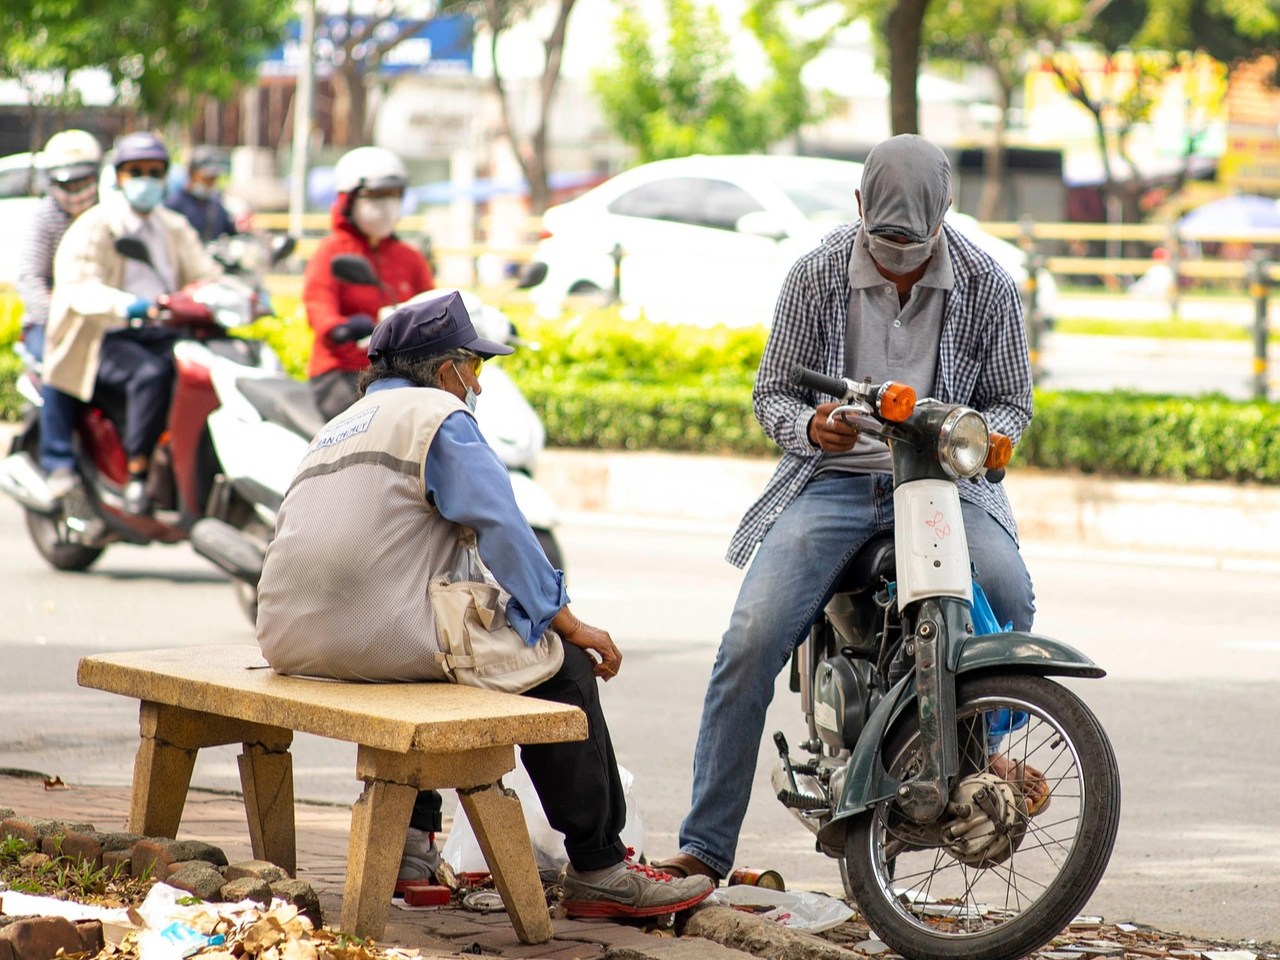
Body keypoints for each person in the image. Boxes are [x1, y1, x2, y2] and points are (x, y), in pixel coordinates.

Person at [255, 291, 715, 919]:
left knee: (424, 660)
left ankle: (414, 847)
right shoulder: (440, 418)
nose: (477, 384)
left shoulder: (338, 424)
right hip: (379, 638)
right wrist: (570, 624)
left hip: (292, 640)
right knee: (564, 669)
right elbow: (504, 530)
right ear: (446, 371)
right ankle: (601, 866)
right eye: (475, 368)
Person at [656, 134, 1037, 883]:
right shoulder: (815, 274)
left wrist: (991, 439)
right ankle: (705, 848)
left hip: (943, 488)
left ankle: (975, 757)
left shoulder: (989, 284)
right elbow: (771, 393)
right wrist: (808, 428)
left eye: (914, 242)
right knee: (747, 644)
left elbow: (1013, 403)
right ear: (858, 206)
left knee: (1012, 594)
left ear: (946, 216)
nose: (897, 254)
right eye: (883, 237)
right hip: (834, 483)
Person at [44, 131, 220, 515]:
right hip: (104, 335)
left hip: (166, 330)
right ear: (119, 176)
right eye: (135, 171)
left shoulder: (172, 226)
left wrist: (233, 292)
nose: (146, 180)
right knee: (150, 376)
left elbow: (205, 272)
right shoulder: (95, 226)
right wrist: (128, 307)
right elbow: (79, 288)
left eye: (155, 172)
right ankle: (138, 472)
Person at [303, 145, 434, 421]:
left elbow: (434, 306)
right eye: (375, 196)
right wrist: (343, 327)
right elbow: (319, 309)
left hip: (401, 375)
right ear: (348, 200)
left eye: (394, 195)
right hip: (344, 372)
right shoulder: (331, 253)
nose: (386, 206)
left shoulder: (410, 258)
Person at [15, 130, 102, 502]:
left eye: (84, 179)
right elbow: (31, 279)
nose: (77, 189)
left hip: (100, 318)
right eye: (69, 181)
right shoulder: (45, 219)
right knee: (60, 363)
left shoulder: (106, 216)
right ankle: (58, 460)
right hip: (51, 324)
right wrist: (62, 316)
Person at [165, 145, 237, 242]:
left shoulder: (215, 204)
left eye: (213, 178)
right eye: (206, 178)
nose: (210, 182)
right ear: (191, 174)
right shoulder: (175, 203)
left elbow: (230, 232)